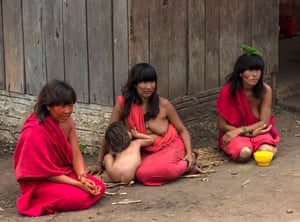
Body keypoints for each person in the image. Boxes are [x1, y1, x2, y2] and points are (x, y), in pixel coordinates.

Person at [91, 63, 202, 186]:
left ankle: (187, 164)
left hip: (169, 146)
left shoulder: (164, 104)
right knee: (139, 174)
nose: (149, 87)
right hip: (144, 151)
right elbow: (110, 133)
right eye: (144, 82)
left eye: (152, 82)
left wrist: (188, 154)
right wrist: (99, 163)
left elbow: (183, 131)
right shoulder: (123, 105)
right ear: (134, 84)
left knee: (159, 171)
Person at [13, 80, 106, 216]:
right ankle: (39, 199)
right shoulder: (34, 130)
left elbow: (75, 152)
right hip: (42, 180)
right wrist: (78, 184)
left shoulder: (68, 122)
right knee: (78, 197)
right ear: (48, 106)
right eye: (61, 106)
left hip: (62, 173)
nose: (67, 111)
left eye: (70, 105)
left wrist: (82, 176)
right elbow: (46, 171)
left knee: (99, 186)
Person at [216, 46, 280, 162]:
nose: (255, 74)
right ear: (240, 73)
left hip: (258, 130)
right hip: (234, 133)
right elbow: (222, 125)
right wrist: (244, 133)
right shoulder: (228, 91)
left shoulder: (266, 90)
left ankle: (259, 145)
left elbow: (264, 122)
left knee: (267, 151)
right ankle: (249, 146)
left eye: (258, 70)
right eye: (250, 70)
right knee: (245, 153)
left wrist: (243, 130)